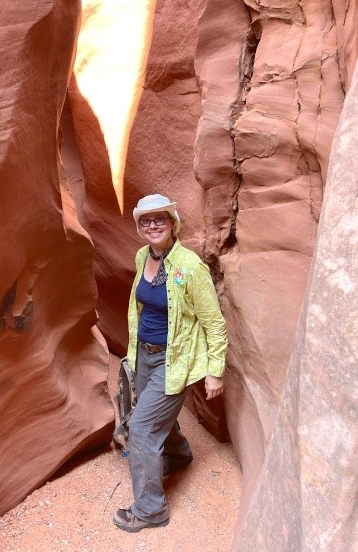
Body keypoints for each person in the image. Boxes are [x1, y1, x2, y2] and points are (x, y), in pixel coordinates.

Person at [113, 193, 228, 533]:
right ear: (139, 227)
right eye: (145, 221)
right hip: (144, 354)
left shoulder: (190, 267)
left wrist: (215, 370)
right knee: (155, 413)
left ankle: (150, 510)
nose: (152, 225)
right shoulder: (141, 257)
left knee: (142, 428)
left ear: (172, 223)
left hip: (173, 360)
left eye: (159, 219)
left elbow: (214, 322)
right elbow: (143, 307)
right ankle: (177, 455)